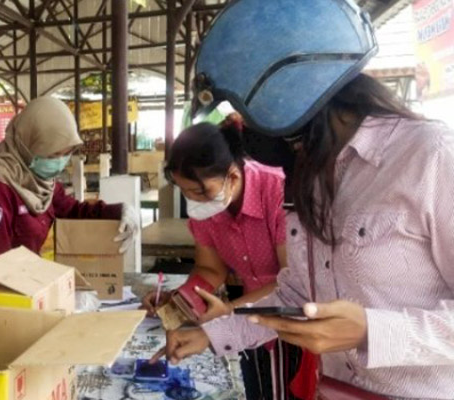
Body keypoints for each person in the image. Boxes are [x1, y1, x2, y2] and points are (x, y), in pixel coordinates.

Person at [155, 0, 454, 398]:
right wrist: (212, 333)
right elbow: (295, 295)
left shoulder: (431, 156)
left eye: (248, 116)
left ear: (291, 96)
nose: (246, 133)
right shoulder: (311, 175)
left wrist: (373, 330)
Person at [141, 121, 303, 399]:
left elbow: (291, 282)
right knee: (257, 386)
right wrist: (179, 301)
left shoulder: (278, 191)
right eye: (185, 191)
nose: (193, 201)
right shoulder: (207, 208)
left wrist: (229, 310)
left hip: (289, 317)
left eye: (200, 191)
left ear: (233, 177)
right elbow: (209, 269)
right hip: (246, 319)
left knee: (284, 389)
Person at [0, 96, 139, 261]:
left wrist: (118, 211)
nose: (59, 162)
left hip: (28, 279)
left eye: (66, 153)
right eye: (53, 154)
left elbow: (71, 210)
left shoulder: (42, 181)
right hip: (4, 284)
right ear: (27, 144)